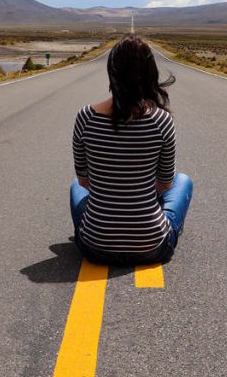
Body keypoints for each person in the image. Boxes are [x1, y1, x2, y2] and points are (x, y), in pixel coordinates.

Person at [69, 34, 193, 265]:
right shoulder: (161, 121)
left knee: (75, 186)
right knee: (183, 180)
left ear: (111, 71)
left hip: (94, 247)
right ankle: (145, 222)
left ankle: (102, 227)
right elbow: (165, 184)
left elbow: (85, 182)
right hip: (151, 246)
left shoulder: (85, 117)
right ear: (150, 73)